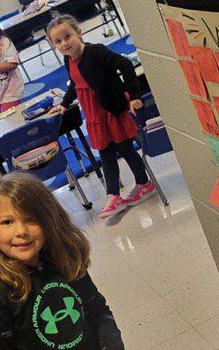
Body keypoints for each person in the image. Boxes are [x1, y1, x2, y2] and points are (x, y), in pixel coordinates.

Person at [0, 173, 123, 349]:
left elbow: (99, 313)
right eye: (7, 222)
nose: (21, 231)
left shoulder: (65, 257)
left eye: (30, 219)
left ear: (49, 219)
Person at [46, 15, 158, 219]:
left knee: (122, 147)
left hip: (110, 109)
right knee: (106, 151)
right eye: (58, 41)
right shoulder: (68, 59)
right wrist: (63, 104)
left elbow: (125, 64)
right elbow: (75, 83)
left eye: (67, 36)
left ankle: (135, 187)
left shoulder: (95, 51)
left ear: (79, 33)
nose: (64, 43)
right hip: (93, 113)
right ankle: (120, 193)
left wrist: (134, 96)